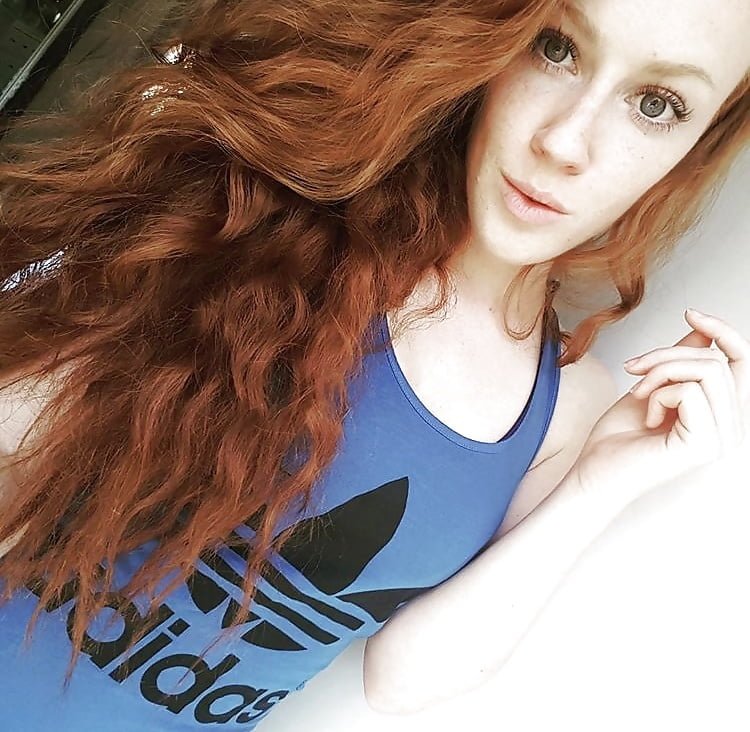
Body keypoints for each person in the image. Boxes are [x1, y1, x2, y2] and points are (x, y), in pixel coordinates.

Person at [0, 0, 748, 728]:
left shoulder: (565, 408)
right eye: (556, 48)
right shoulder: (285, 227)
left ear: (695, 149)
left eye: (657, 104)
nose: (565, 141)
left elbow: (401, 680)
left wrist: (603, 485)